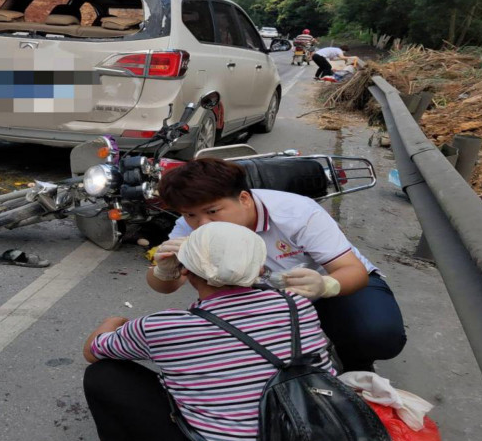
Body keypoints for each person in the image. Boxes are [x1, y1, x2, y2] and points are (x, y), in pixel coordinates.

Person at [84, 222, 335, 441]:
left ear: (185, 270)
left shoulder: (162, 328)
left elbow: (93, 351)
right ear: (259, 270)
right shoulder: (297, 306)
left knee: (105, 376)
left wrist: (115, 320)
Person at [147, 158, 406, 373]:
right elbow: (167, 287)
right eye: (190, 214)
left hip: (325, 285)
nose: (203, 224)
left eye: (213, 211)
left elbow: (352, 270)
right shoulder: (187, 227)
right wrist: (163, 271)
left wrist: (325, 285)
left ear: (245, 199)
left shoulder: (297, 213)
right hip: (257, 297)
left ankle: (354, 360)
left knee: (377, 334)